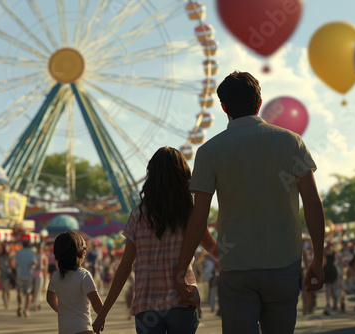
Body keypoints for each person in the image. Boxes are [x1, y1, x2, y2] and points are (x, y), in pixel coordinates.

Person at [174, 71, 325, 334]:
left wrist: (181, 270)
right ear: (259, 103)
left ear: (223, 107)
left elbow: (198, 217)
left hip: (237, 266)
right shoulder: (291, 141)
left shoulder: (209, 151)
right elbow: (312, 203)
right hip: (284, 262)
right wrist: (319, 259)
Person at [92, 146, 217, 334]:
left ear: (152, 176)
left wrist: (103, 313)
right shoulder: (189, 214)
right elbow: (214, 249)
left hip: (146, 306)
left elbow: (125, 266)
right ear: (183, 176)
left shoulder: (138, 215)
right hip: (182, 301)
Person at [46, 231, 103, 334]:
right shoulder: (84, 275)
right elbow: (97, 304)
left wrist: (62, 311)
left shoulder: (56, 276)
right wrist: (101, 318)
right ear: (82, 253)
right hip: (83, 328)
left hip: (64, 329)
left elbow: (50, 298)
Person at [15, 240, 37, 317]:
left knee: (19, 291)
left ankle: (20, 305)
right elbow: (34, 263)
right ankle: (26, 309)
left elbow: (15, 263)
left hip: (19, 274)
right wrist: (32, 267)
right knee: (28, 293)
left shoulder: (18, 252)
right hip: (28, 274)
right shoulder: (32, 253)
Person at [322, 242, 338, 315]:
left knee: (328, 288)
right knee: (334, 288)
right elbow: (338, 261)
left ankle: (328, 303)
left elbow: (323, 262)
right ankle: (335, 304)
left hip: (327, 270)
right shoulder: (334, 252)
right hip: (333, 270)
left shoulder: (324, 252)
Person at [32, 243, 48, 311]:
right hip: (33, 274)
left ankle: (36, 304)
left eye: (41, 248)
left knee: (38, 290)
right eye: (39, 247)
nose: (40, 249)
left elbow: (46, 268)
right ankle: (38, 302)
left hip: (40, 275)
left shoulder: (44, 257)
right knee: (34, 290)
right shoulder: (34, 255)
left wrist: (45, 277)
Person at [0, 243, 14, 309]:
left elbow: (11, 266)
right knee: (3, 290)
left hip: (8, 275)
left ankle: (7, 302)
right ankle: (5, 303)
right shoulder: (0, 257)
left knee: (7, 290)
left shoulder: (9, 257)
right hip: (2, 275)